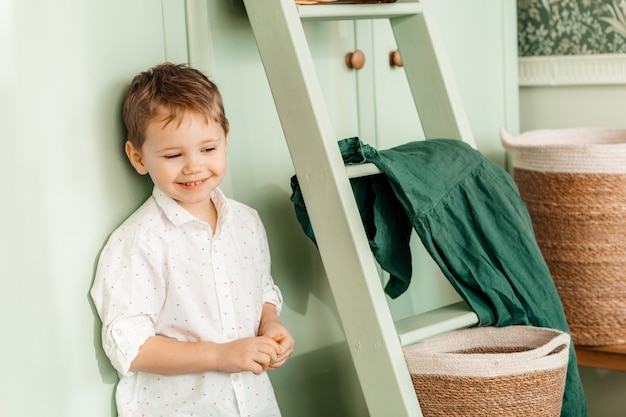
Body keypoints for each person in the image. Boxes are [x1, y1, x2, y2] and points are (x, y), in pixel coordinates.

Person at [91, 62, 294, 417]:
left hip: (254, 404)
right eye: (173, 155)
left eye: (208, 149)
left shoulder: (246, 223)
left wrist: (270, 324)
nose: (194, 166)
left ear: (226, 140)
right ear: (138, 157)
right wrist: (220, 355)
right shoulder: (139, 242)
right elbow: (132, 347)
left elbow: (261, 290)